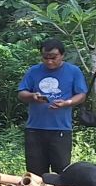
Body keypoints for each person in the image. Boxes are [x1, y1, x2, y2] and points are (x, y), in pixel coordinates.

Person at [17, 39, 88, 176]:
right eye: (45, 58)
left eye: (53, 58)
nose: (49, 61)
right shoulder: (34, 71)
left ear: (62, 55)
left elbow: (81, 95)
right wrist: (32, 96)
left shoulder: (73, 71)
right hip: (34, 129)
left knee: (61, 172)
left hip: (60, 129)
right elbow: (21, 93)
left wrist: (67, 103)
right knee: (35, 173)